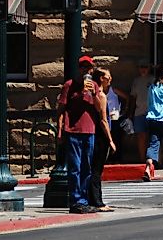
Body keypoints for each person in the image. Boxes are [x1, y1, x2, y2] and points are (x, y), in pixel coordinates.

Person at [58, 55, 101, 214]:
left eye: (88, 67)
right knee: (75, 167)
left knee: (86, 168)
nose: (86, 70)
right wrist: (60, 130)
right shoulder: (69, 85)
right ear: (79, 69)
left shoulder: (94, 86)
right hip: (73, 130)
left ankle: (84, 200)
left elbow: (98, 108)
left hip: (89, 130)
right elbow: (61, 110)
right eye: (83, 67)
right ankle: (75, 200)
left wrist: (93, 93)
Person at [88, 67, 117, 213]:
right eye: (108, 76)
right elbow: (103, 120)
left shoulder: (96, 94)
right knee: (96, 170)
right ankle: (97, 201)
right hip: (101, 136)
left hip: (95, 134)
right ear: (101, 78)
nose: (110, 79)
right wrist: (110, 140)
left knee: (94, 169)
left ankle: (94, 199)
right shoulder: (101, 96)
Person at [129, 60, 154, 164]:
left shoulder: (153, 80)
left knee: (153, 137)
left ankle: (152, 159)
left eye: (145, 67)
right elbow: (133, 97)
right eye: (141, 67)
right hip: (139, 112)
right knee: (141, 136)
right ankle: (142, 159)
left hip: (152, 113)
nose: (143, 70)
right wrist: (131, 112)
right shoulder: (136, 81)